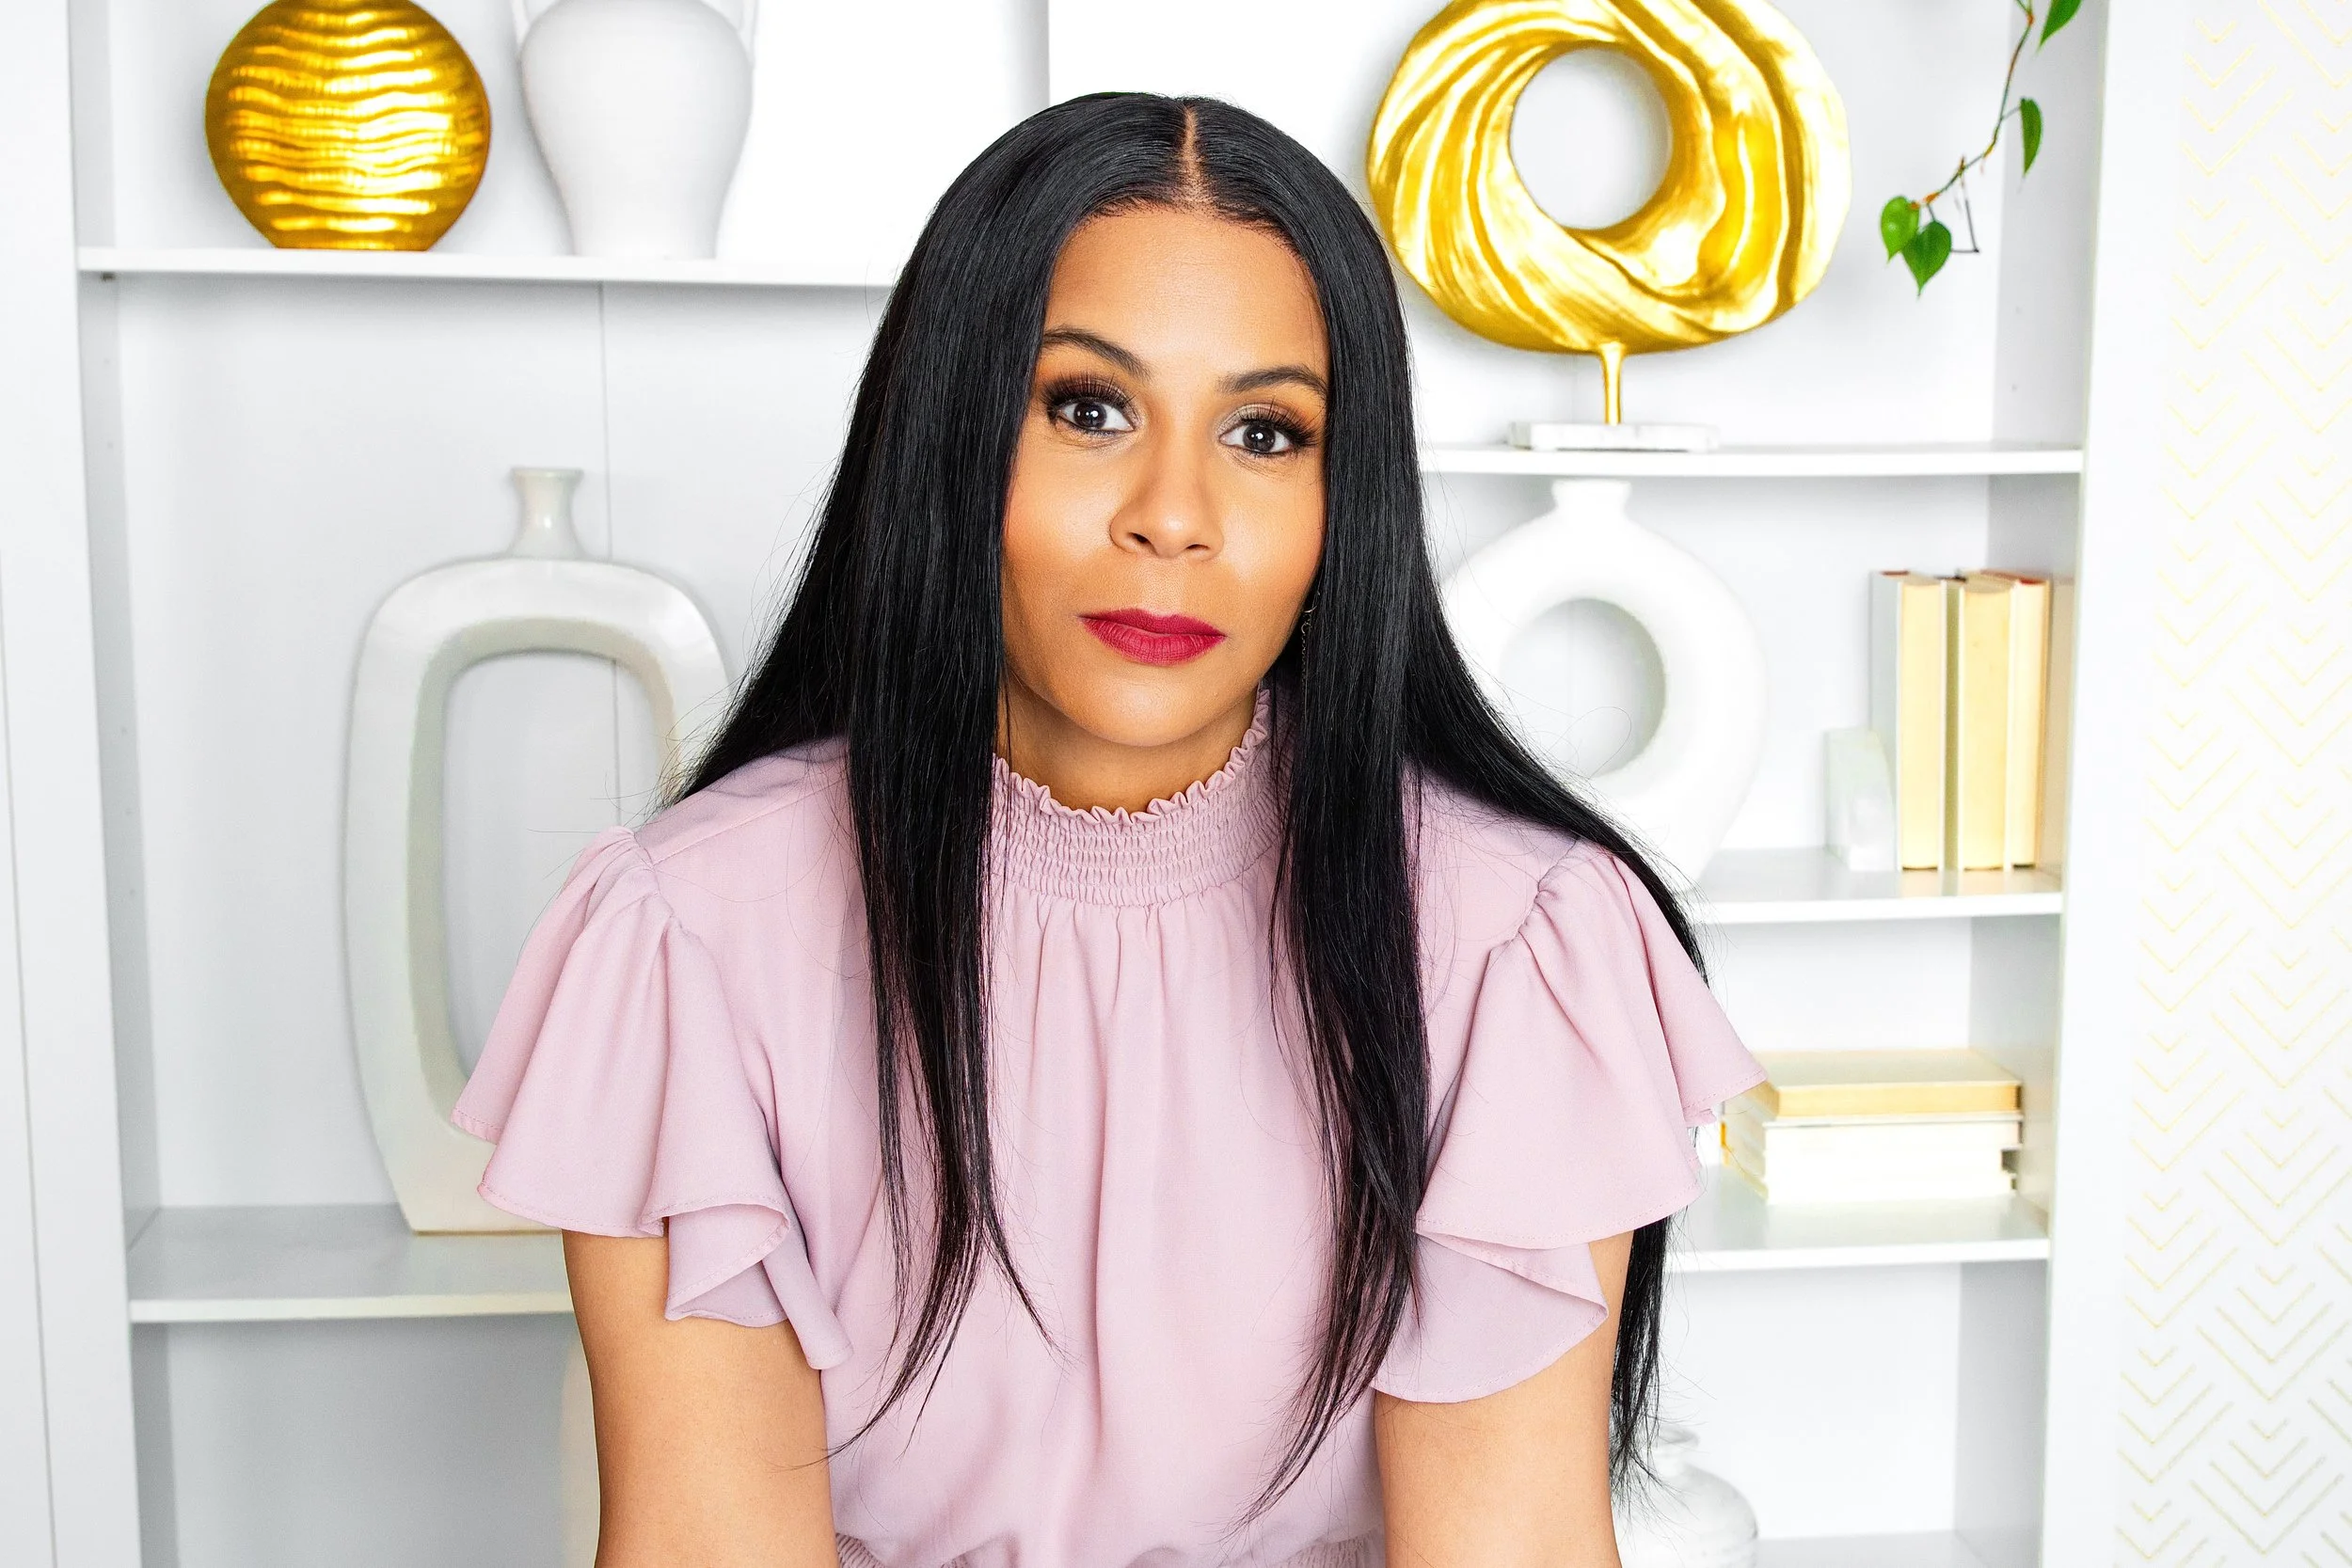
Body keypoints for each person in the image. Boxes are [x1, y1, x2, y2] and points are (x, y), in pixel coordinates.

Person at [453, 92, 1763, 1568]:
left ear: (1347, 505)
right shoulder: (684, 942)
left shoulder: (1526, 951)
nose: (1174, 515)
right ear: (951, 437)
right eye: (1088, 408)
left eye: (1266, 432)